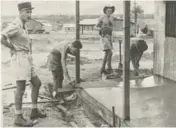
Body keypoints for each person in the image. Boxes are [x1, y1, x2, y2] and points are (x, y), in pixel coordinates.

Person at [1, 2, 46, 126]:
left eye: (30, 12)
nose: (29, 14)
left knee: (37, 83)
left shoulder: (23, 26)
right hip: (20, 58)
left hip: (27, 58)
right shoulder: (15, 25)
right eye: (27, 12)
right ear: (20, 12)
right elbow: (2, 37)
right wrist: (12, 47)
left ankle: (34, 110)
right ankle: (18, 117)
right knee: (21, 88)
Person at [95, 5, 119, 77]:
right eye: (108, 11)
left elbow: (118, 20)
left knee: (109, 53)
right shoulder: (102, 18)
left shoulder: (112, 18)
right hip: (104, 36)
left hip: (110, 37)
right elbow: (95, 27)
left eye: (111, 11)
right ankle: (107, 69)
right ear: (105, 11)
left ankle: (105, 69)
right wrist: (101, 30)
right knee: (109, 52)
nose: (109, 12)